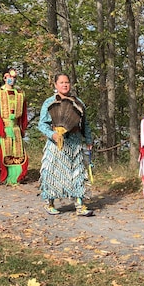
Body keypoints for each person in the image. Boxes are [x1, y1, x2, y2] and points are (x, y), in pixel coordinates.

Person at [38, 74, 93, 216]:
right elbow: (42, 124)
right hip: (56, 143)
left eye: (67, 82)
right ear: (55, 85)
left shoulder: (78, 102)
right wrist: (53, 134)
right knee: (52, 172)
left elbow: (84, 123)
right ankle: (50, 203)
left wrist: (88, 140)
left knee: (78, 173)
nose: (65, 85)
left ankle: (80, 204)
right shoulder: (49, 102)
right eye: (61, 82)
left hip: (75, 142)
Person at [0, 68, 29, 185]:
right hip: (3, 127)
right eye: (10, 76)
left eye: (14, 77)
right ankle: (2, 174)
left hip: (15, 128)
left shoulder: (20, 93)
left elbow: (24, 113)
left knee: (18, 153)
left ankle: (17, 175)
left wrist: (22, 128)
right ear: (5, 77)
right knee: (4, 152)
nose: (12, 79)